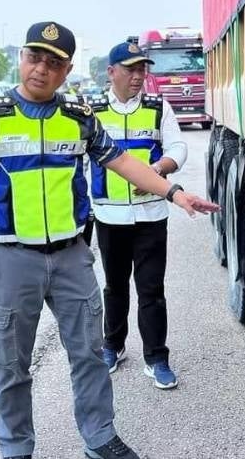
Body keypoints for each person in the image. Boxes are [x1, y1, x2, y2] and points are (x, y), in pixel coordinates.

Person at [0, 21, 218, 459]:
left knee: (90, 354)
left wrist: (174, 192)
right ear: (21, 58)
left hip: (72, 256)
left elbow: (123, 161)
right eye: (34, 57)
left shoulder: (78, 117)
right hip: (13, 258)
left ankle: (99, 438)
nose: (41, 69)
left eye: (53, 63)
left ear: (68, 69)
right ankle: (15, 448)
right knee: (13, 366)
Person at [88, 41, 185, 389]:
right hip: (109, 217)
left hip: (151, 216)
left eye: (143, 69)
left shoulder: (159, 107)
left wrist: (158, 169)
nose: (138, 76)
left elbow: (178, 147)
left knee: (151, 289)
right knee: (114, 287)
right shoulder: (92, 110)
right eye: (131, 69)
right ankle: (112, 346)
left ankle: (157, 358)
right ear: (111, 72)